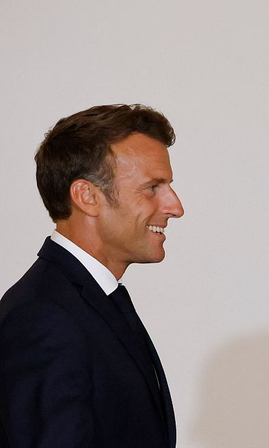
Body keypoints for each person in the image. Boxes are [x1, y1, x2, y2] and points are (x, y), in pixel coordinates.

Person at [0, 104, 184, 447]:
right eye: (152, 187)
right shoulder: (43, 317)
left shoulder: (83, 301)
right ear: (87, 196)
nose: (175, 207)